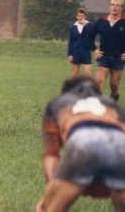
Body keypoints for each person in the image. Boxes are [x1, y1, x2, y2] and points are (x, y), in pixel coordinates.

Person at [36, 76, 125, 212]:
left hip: (82, 141)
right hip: (120, 144)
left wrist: (54, 189)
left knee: (47, 208)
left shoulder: (57, 103)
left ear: (66, 93)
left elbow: (51, 157)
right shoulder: (114, 105)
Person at [89, 0, 125, 102]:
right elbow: (89, 35)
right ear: (109, 7)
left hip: (118, 57)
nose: (114, 7)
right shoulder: (101, 21)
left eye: (117, 5)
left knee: (114, 84)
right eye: (113, 5)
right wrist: (94, 49)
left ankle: (113, 102)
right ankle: (97, 106)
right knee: (99, 82)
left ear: (121, 8)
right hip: (103, 56)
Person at [67, 8, 93, 77]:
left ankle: (87, 87)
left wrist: (85, 26)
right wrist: (69, 54)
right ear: (76, 16)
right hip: (75, 52)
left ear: (85, 16)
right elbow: (70, 42)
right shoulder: (73, 27)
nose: (80, 18)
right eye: (79, 16)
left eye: (82, 16)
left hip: (86, 51)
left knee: (88, 74)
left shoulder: (90, 26)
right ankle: (75, 87)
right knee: (74, 74)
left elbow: (92, 34)